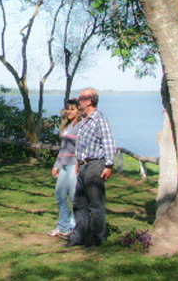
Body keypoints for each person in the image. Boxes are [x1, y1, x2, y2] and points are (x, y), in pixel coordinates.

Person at [65, 87, 116, 248]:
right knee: (79, 202)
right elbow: (81, 144)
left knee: (95, 204)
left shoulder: (99, 119)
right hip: (83, 165)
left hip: (96, 164)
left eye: (81, 99)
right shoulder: (84, 120)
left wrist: (109, 165)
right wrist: (78, 163)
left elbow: (108, 141)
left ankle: (96, 239)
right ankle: (78, 237)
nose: (79, 101)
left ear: (89, 101)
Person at [48, 98, 83, 239]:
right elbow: (63, 148)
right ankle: (63, 227)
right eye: (68, 109)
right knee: (60, 195)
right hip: (64, 165)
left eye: (72, 109)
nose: (69, 111)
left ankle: (74, 227)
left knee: (75, 198)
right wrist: (57, 165)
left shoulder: (81, 126)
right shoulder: (67, 126)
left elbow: (83, 147)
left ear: (79, 111)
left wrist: (80, 164)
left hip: (75, 165)